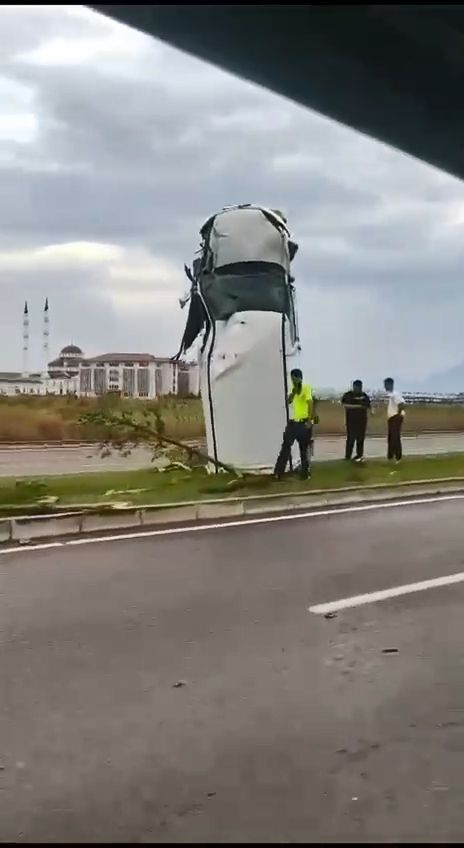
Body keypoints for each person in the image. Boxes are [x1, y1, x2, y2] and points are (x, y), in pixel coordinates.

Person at [274, 369, 317, 480]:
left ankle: (305, 473)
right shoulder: (293, 390)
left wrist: (309, 420)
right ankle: (279, 472)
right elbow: (288, 401)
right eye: (292, 379)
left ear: (300, 378)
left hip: (303, 422)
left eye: (295, 379)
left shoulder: (306, 388)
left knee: (303, 449)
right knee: (286, 447)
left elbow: (310, 403)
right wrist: (293, 392)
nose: (293, 381)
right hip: (293, 423)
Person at [341, 380, 371, 462]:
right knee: (351, 439)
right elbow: (345, 405)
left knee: (360, 439)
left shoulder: (364, 396)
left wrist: (371, 410)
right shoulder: (348, 395)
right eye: (357, 387)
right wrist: (358, 406)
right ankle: (347, 457)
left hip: (362, 421)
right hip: (351, 421)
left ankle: (359, 456)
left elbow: (368, 406)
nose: (358, 389)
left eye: (360, 387)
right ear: (354, 386)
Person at [384, 377, 405, 463]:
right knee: (391, 438)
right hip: (392, 418)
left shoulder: (395, 394)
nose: (385, 386)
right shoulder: (390, 395)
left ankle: (398, 457)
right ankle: (390, 456)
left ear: (390, 384)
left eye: (386, 385)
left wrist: (398, 414)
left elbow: (402, 404)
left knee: (395, 438)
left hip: (395, 417)